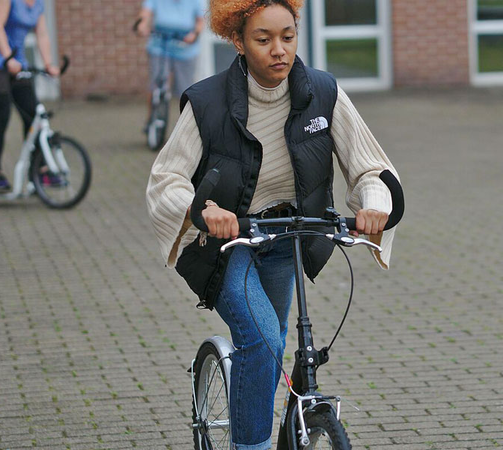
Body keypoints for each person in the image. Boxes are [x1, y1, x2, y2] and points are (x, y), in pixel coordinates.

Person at [146, 0, 400, 448]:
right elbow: (165, 180)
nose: (278, 50)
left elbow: (369, 168)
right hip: (227, 243)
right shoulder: (206, 102)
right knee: (262, 340)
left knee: (273, 346)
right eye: (263, 40)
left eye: (288, 36)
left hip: (289, 236)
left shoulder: (323, 93)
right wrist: (201, 210)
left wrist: (375, 202)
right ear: (239, 42)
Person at [0, 0, 59, 192]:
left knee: (32, 114)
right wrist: (7, 57)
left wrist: (48, 63)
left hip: (16, 63)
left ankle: (38, 171)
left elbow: (42, 34)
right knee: (2, 115)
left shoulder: (37, 4)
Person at [136, 0, 206, 124]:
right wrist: (142, 25)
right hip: (160, 45)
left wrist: (194, 33)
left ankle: (187, 124)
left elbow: (200, 21)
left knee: (185, 89)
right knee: (156, 83)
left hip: (185, 48)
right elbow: (145, 14)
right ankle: (150, 119)